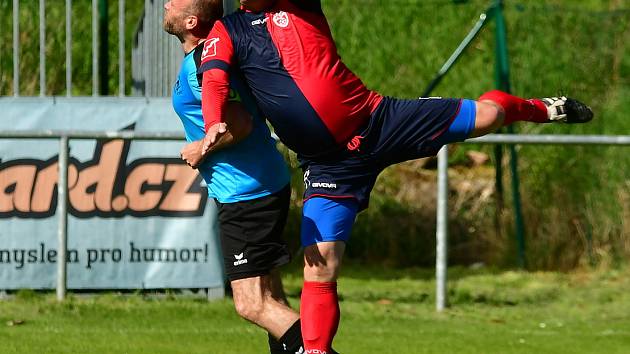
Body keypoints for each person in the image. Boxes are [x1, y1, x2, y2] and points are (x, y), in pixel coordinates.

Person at [197, 1, 595, 353]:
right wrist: (213, 121)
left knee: (488, 116)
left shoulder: (297, 5)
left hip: (381, 121)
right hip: (329, 164)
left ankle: (538, 108)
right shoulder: (226, 31)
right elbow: (214, 79)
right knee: (320, 266)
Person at [163, 1, 307, 353]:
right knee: (270, 296)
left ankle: (317, 348)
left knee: (252, 303)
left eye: (175, 2)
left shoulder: (203, 62)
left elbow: (239, 122)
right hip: (258, 184)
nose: (166, 4)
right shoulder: (209, 54)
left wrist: (201, 148)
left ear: (192, 21)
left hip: (247, 193)